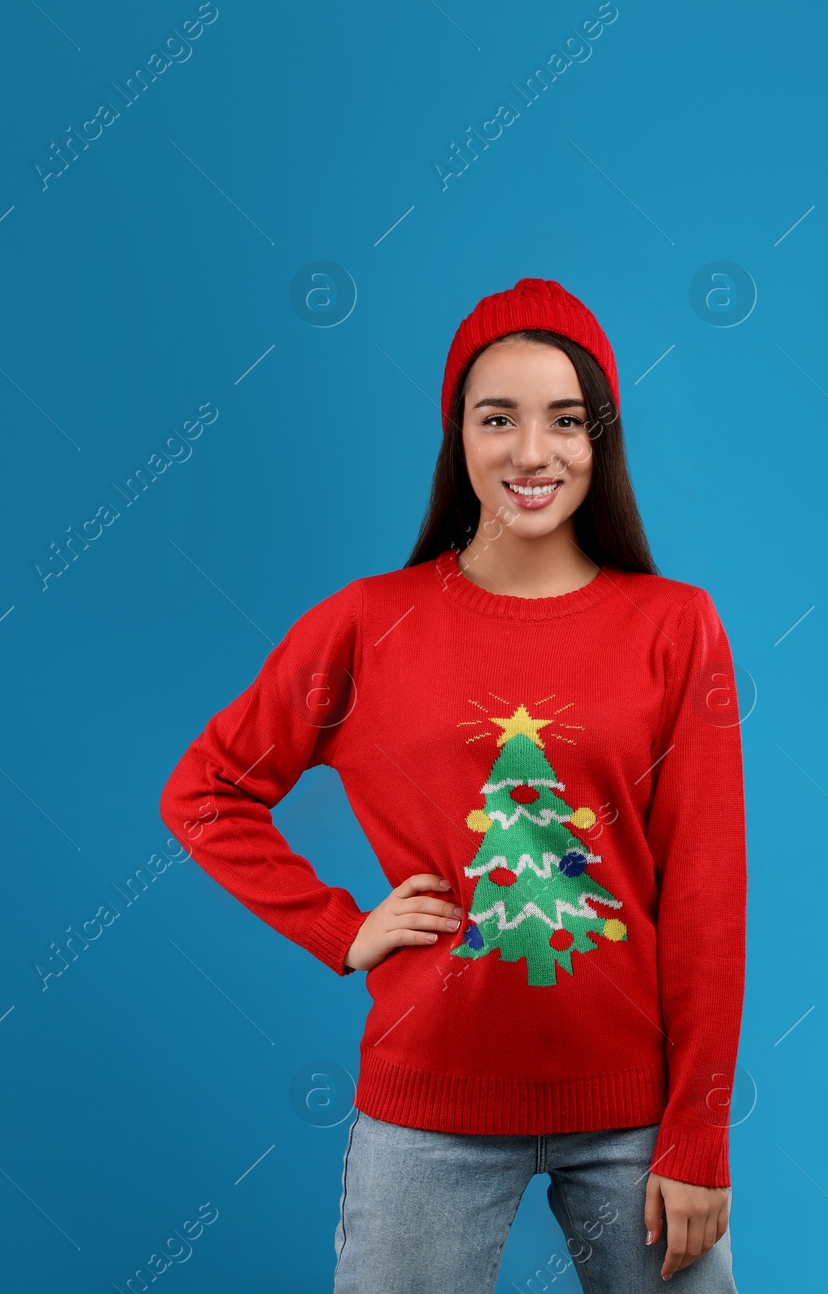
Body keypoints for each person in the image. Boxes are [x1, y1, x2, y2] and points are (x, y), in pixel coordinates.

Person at [158, 276, 748, 1291]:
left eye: (565, 420)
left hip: (635, 1118)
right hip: (428, 1107)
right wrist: (339, 928)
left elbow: (705, 893)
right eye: (497, 418)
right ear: (456, 437)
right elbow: (207, 789)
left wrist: (697, 1131)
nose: (531, 453)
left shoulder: (675, 626)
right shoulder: (365, 622)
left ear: (600, 438)